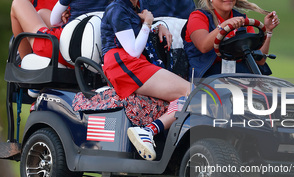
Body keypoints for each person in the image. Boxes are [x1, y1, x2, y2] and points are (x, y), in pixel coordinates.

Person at [101, 0, 191, 161]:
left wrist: (157, 26)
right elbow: (133, 50)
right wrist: (148, 22)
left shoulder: (133, 6)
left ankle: (149, 131)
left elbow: (136, 32)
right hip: (122, 63)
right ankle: (147, 132)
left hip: (133, 63)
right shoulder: (117, 8)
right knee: (191, 91)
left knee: (191, 95)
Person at [183, 0, 280, 78]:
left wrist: (268, 30)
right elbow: (203, 46)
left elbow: (260, 60)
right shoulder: (198, 17)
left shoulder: (242, 19)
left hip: (238, 75)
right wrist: (224, 25)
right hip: (206, 76)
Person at [10, 0, 109, 63]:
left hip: (62, 50)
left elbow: (54, 20)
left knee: (18, 2)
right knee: (42, 13)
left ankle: (28, 68)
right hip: (98, 50)